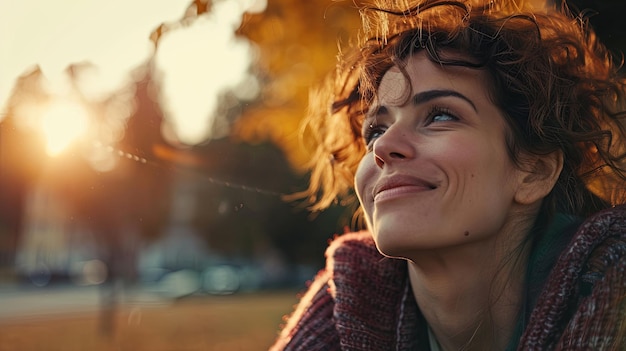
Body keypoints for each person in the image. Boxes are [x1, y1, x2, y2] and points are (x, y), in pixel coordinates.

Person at [270, 0, 626, 349]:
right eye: (375, 131)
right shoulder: (341, 306)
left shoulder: (615, 293)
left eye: (440, 115)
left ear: (534, 172)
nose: (382, 147)